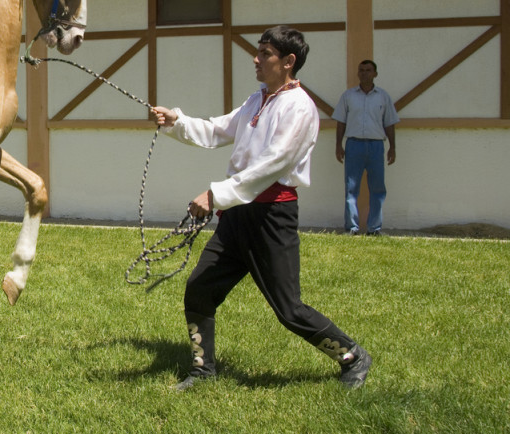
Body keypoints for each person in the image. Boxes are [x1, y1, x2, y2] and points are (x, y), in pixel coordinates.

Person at [151, 25, 371, 391]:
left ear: (288, 62)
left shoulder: (300, 108)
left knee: (289, 309)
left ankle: (352, 355)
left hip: (271, 217)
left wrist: (214, 195)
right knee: (200, 288)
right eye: (258, 51)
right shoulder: (258, 100)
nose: (256, 58)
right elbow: (219, 130)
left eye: (265, 53)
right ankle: (203, 371)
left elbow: (272, 165)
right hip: (237, 214)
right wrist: (179, 122)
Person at [332, 60, 399, 235]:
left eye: (368, 70)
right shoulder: (348, 96)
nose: (364, 73)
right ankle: (352, 228)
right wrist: (338, 145)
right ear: (358, 73)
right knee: (351, 187)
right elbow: (341, 122)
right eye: (361, 70)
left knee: (377, 188)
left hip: (376, 146)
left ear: (375, 74)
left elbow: (390, 123)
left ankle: (374, 228)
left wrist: (393, 147)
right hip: (354, 145)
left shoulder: (383, 97)